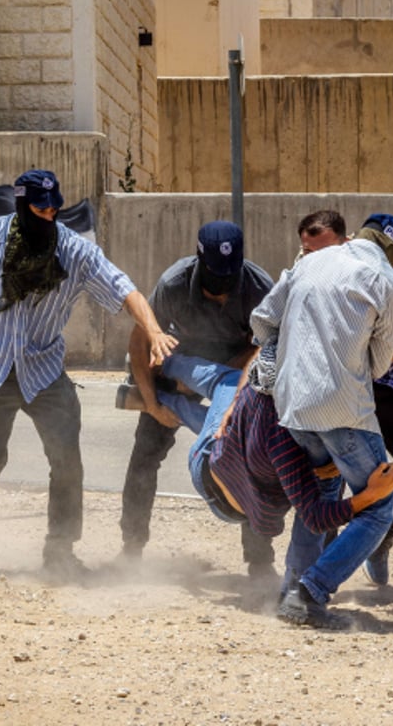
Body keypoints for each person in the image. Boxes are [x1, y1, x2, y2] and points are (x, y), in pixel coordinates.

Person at [0, 169, 177, 584]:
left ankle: (59, 551)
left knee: (66, 461)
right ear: (22, 205)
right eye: (40, 206)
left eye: (54, 205)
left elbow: (124, 289)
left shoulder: (74, 250)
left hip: (42, 369)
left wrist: (153, 329)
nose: (49, 213)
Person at [155, 347, 393, 629]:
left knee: (228, 389)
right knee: (223, 391)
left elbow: (263, 348)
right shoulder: (282, 436)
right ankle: (161, 385)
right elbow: (315, 517)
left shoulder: (260, 385)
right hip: (215, 481)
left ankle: (166, 372)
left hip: (227, 461)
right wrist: (370, 496)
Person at [249, 219, 393, 626]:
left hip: (292, 406)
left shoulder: (307, 264)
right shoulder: (386, 279)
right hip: (343, 410)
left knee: (323, 490)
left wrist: (297, 353)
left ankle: (290, 591)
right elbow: (381, 362)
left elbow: (262, 320)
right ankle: (311, 591)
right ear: (392, 254)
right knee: (378, 509)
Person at [296, 210, 393, 586]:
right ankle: (313, 576)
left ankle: (379, 541)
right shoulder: (312, 267)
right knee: (328, 482)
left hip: (385, 385)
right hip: (333, 390)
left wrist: (362, 374)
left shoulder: (385, 271)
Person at [119, 221, 275, 575]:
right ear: (200, 262)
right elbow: (140, 340)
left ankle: (260, 563)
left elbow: (264, 350)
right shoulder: (174, 283)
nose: (220, 293)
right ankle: (131, 550)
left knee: (250, 458)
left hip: (237, 371)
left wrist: (230, 391)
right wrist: (153, 403)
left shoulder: (259, 287)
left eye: (227, 282)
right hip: (181, 365)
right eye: (213, 282)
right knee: (144, 456)